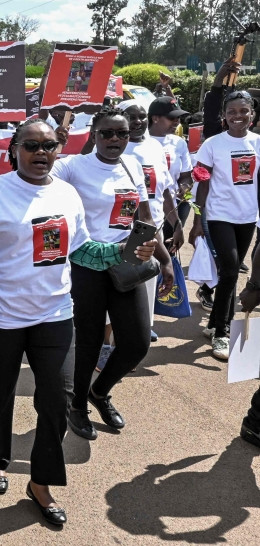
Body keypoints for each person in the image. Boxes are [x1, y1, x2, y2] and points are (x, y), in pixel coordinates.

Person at [0, 118, 159, 527]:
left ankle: (40, 484)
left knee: (58, 400)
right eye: (31, 145)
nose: (41, 153)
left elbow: (82, 250)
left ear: (59, 150)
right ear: (14, 150)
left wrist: (124, 253)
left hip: (54, 314)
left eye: (49, 146)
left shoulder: (67, 193)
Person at [51, 108, 175, 439]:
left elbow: (145, 216)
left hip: (126, 262)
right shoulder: (74, 166)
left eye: (121, 133)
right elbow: (41, 176)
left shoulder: (132, 166)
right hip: (85, 264)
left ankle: (100, 391)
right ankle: (77, 404)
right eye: (107, 133)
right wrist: (55, 141)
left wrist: (165, 261)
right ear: (93, 134)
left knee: (136, 343)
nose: (115, 139)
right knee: (88, 342)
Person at [189, 90, 260, 360]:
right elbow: (202, 185)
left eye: (244, 111)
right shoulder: (213, 145)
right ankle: (222, 332)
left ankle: (213, 323)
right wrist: (197, 220)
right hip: (219, 215)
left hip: (248, 217)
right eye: (232, 112)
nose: (238, 116)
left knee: (230, 273)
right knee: (230, 271)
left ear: (252, 114)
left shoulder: (258, 143)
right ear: (224, 116)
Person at [121, 100, 182, 342]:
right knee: (121, 287)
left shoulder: (156, 148)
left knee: (147, 286)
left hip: (152, 229)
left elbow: (165, 191)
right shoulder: (113, 147)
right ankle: (113, 342)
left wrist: (175, 224)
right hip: (121, 231)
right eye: (130, 116)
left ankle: (140, 334)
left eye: (141, 116)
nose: (137, 121)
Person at [147, 97, 193, 247]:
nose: (177, 122)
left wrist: (185, 188)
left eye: (178, 118)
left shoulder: (179, 143)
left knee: (168, 251)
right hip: (146, 209)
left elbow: (185, 176)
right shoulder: (137, 141)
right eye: (171, 118)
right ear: (155, 118)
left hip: (171, 208)